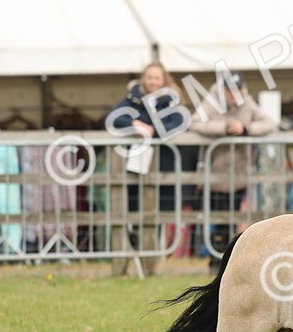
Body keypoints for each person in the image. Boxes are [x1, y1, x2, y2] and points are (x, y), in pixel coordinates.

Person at [190, 71, 277, 267]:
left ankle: (229, 260)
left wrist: (246, 128)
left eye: (237, 90)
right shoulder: (211, 102)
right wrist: (224, 127)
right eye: (229, 90)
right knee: (218, 218)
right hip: (215, 173)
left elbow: (268, 123)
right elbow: (195, 122)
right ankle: (214, 259)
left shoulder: (247, 102)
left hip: (238, 173)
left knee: (235, 218)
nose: (233, 94)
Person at [106, 61, 188, 213]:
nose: (153, 81)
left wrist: (153, 130)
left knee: (165, 208)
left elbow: (178, 122)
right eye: (149, 77)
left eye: (156, 78)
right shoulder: (132, 99)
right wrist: (134, 124)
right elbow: (112, 117)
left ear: (164, 80)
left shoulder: (171, 101)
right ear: (143, 78)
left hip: (165, 162)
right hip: (137, 164)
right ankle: (135, 235)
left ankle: (160, 237)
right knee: (136, 205)